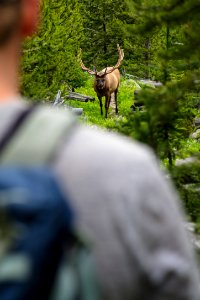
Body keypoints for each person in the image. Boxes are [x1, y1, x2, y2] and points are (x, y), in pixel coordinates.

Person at [0, 0, 200, 299]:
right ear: (30, 15)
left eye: (100, 78)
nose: (100, 81)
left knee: (110, 101)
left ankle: (109, 112)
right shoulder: (129, 171)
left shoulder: (112, 79)